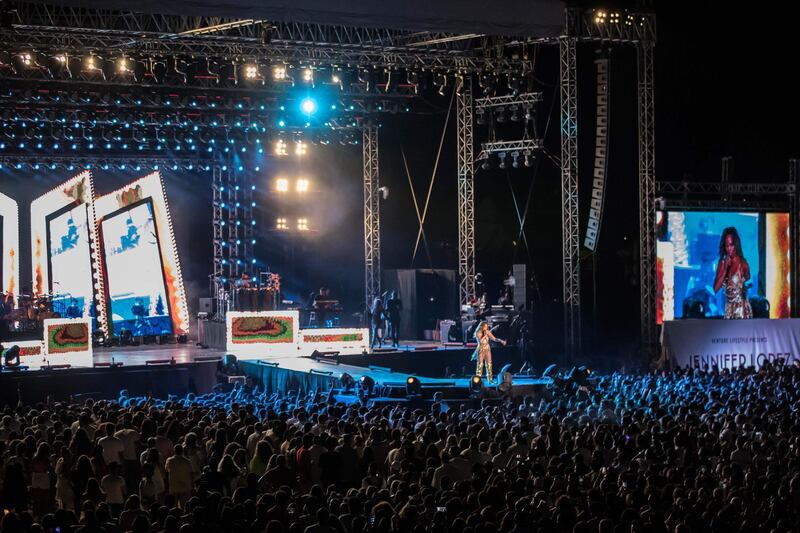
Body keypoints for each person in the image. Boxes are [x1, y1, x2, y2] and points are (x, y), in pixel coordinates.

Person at [713, 227, 752, 319]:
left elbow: (747, 278)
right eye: (727, 245)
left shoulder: (743, 263)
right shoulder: (722, 262)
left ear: (736, 244)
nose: (729, 248)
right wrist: (725, 269)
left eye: (731, 245)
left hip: (741, 310)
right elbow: (715, 289)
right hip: (728, 310)